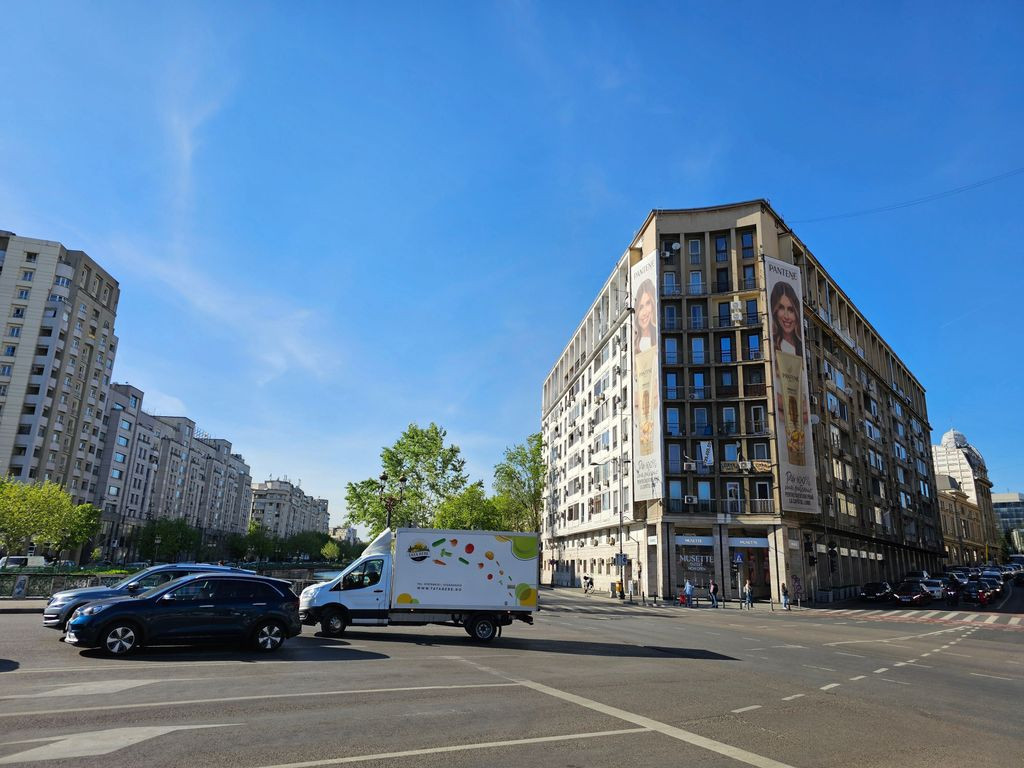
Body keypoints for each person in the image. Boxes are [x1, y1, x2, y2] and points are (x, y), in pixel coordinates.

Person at [769, 282, 803, 356]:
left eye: (791, 310)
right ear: (775, 311)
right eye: (781, 308)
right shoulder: (772, 345)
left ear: (796, 312)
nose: (786, 316)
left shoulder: (802, 346)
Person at [633, 279, 658, 352]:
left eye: (648, 303)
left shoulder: (658, 336)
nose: (644, 313)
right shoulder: (634, 343)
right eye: (640, 307)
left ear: (653, 304)